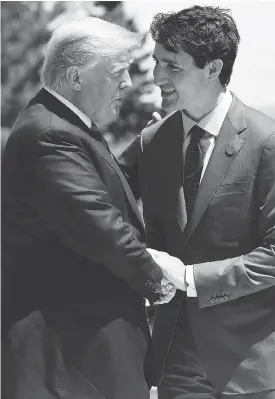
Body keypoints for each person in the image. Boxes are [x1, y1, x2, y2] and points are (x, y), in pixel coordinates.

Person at [119, 5, 275, 399]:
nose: (157, 76)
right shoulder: (151, 141)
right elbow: (103, 199)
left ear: (213, 68)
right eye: (157, 62)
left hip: (248, 364)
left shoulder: (273, 143)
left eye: (172, 66)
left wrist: (191, 279)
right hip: (175, 361)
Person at [1, 17, 178, 399]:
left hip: (83, 359)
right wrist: (159, 280)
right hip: (70, 363)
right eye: (118, 71)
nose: (129, 83)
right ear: (76, 77)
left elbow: (99, 191)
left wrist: (148, 146)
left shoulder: (64, 125)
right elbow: (100, 226)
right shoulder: (49, 134)